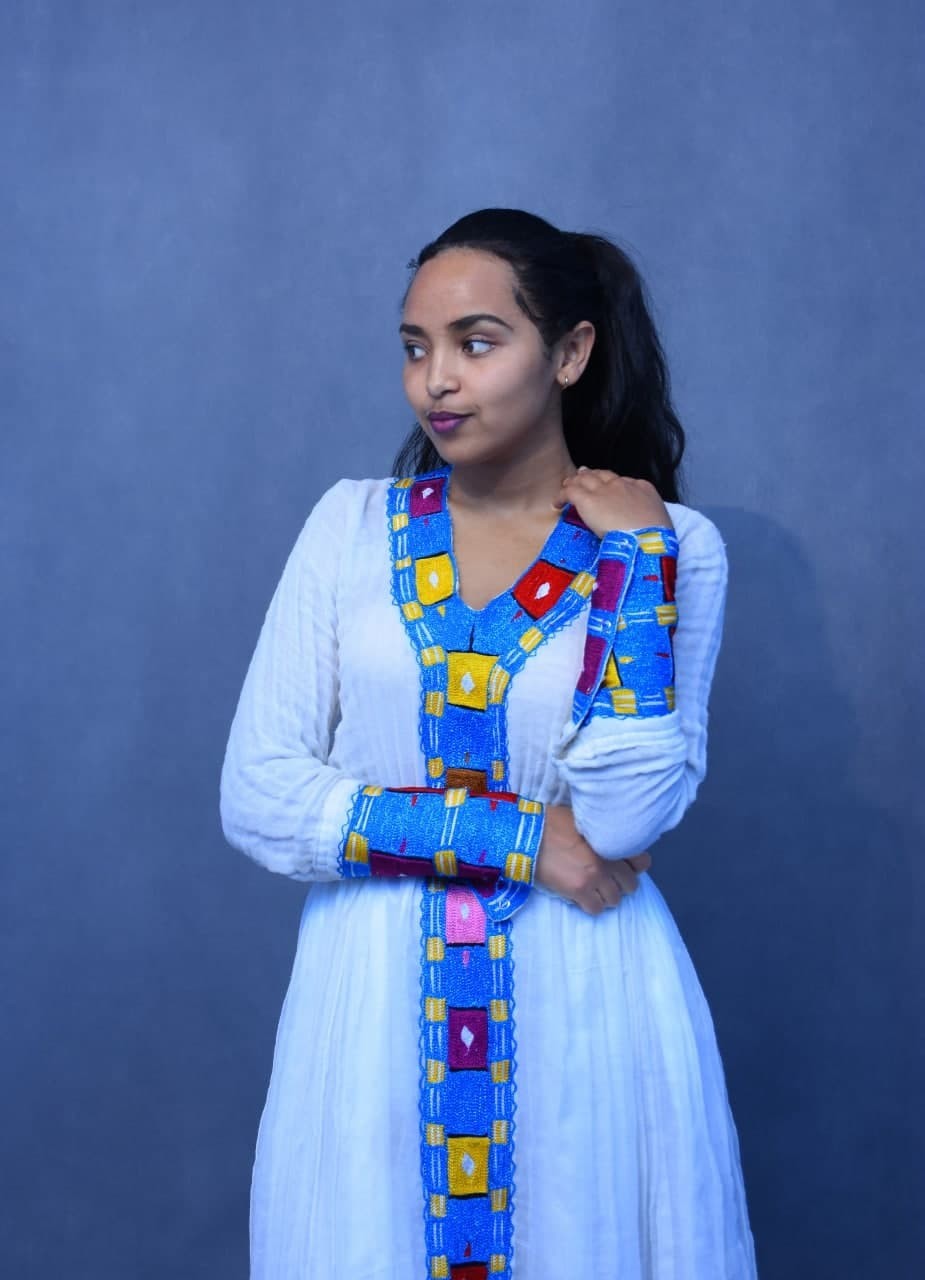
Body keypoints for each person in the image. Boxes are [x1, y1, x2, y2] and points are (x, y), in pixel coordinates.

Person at [220, 207, 757, 1278]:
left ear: (569, 352)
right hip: (371, 1002)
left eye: (476, 342)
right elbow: (260, 795)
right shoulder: (349, 527)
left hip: (584, 994)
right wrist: (520, 838)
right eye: (414, 347)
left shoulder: (671, 547)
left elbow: (623, 818)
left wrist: (634, 565)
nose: (436, 381)